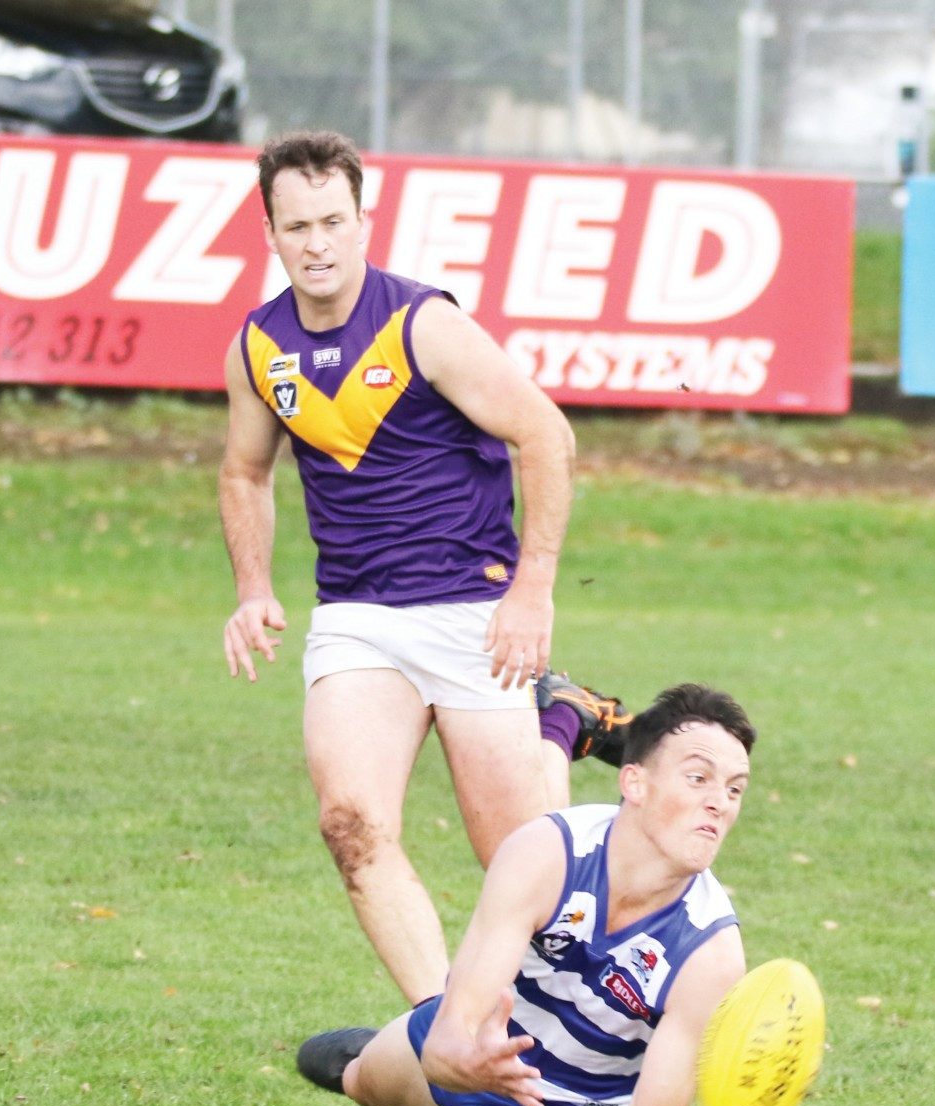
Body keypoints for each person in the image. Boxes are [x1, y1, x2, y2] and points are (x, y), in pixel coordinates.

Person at [219, 129, 631, 1006]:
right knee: (351, 825)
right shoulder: (258, 347)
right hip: (357, 618)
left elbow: (545, 435)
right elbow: (244, 470)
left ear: (364, 221)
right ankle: (445, 1031)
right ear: (271, 234)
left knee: (527, 868)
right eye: (297, 227)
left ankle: (559, 722)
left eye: (334, 221)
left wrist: (533, 589)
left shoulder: (422, 325)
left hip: (470, 612)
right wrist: (253, 589)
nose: (317, 243)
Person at [266, 684, 755, 1106]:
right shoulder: (548, 852)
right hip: (478, 1047)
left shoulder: (712, 953)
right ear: (635, 782)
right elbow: (455, 1035)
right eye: (698, 778)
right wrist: (463, 1059)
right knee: (362, 1080)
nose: (719, 801)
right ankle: (373, 1065)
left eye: (734, 788)